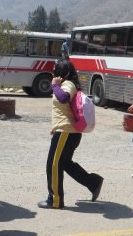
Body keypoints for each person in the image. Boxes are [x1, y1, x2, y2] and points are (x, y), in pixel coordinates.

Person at [38, 59, 103, 209]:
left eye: (55, 69)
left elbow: (63, 98)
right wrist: (55, 126)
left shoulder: (68, 85)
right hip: (66, 131)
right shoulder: (65, 85)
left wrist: (54, 85)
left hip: (66, 132)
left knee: (53, 165)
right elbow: (63, 109)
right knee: (65, 163)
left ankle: (55, 200)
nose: (53, 72)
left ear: (61, 72)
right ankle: (93, 182)